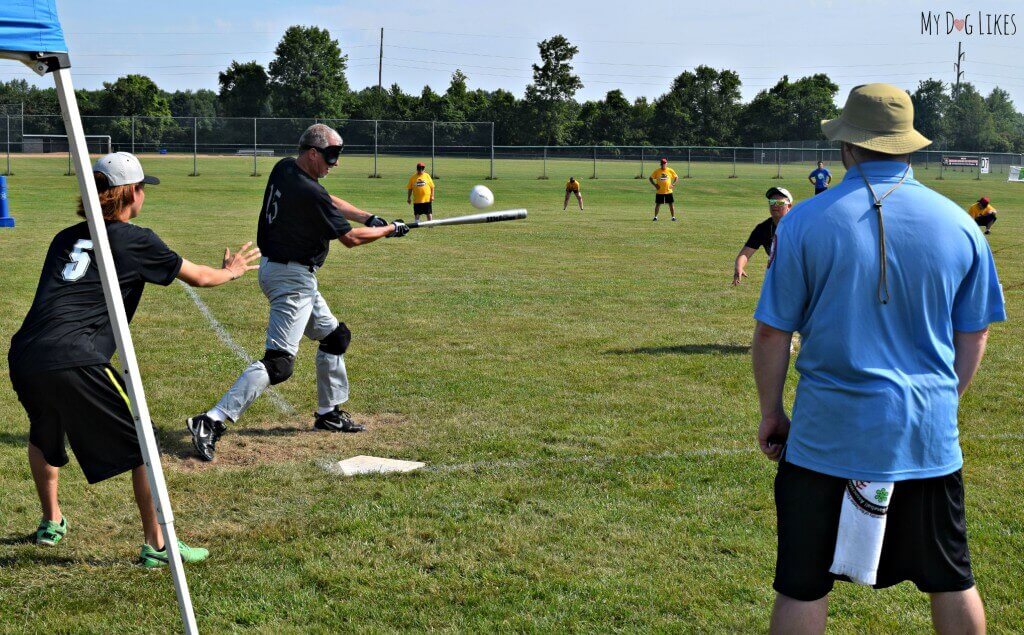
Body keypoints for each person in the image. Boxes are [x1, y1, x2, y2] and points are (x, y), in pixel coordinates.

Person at [752, 84, 1005, 634]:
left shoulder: (803, 222)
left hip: (825, 437)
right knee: (952, 577)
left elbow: (774, 333)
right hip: (926, 438)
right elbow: (975, 330)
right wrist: (944, 400)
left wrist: (772, 413)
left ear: (847, 145)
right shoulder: (961, 225)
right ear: (908, 146)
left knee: (802, 581)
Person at [8, 152, 261, 566]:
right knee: (144, 444)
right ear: (131, 194)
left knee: (44, 432)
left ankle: (51, 521)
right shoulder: (136, 238)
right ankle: (157, 545)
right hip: (79, 357)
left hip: (27, 353)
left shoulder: (64, 238)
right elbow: (199, 276)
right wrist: (232, 270)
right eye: (143, 189)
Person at [186, 124, 407, 462]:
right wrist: (390, 230)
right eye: (331, 156)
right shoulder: (309, 192)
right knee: (279, 364)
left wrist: (370, 217)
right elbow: (351, 239)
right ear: (313, 153)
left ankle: (328, 412)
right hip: (292, 280)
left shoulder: (286, 167)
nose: (336, 164)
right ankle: (211, 420)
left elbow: (330, 201)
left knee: (335, 337)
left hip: (284, 272)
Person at [733, 187, 793, 286]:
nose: (775, 205)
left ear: (789, 206)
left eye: (780, 203)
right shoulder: (763, 228)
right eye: (772, 201)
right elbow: (745, 253)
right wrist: (739, 267)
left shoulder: (799, 226)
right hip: (778, 275)